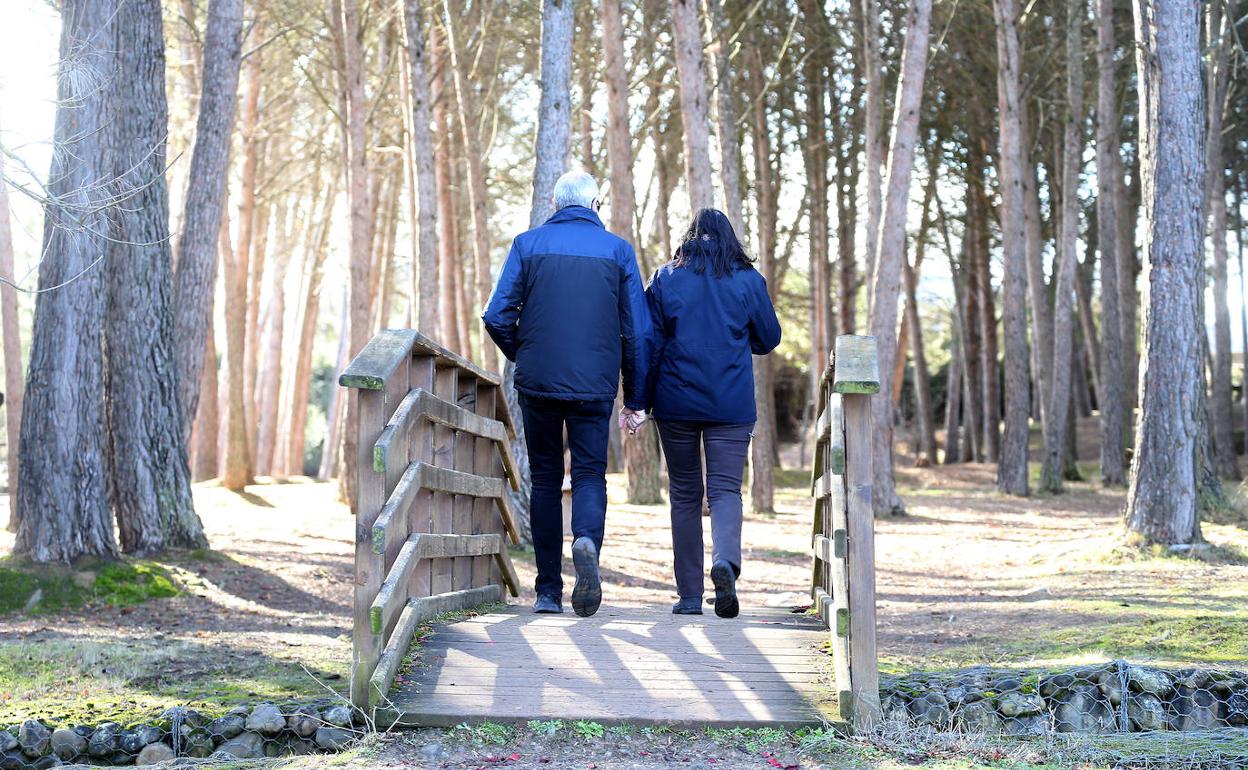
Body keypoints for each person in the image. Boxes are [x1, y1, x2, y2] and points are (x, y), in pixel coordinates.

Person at [482, 170, 651, 617]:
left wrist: (528, 352)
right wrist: (634, 399)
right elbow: (637, 331)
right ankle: (587, 541)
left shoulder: (527, 244)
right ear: (595, 206)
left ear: (555, 205)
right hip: (595, 385)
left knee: (544, 479)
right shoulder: (618, 251)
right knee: (591, 474)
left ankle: (547, 592)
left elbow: (497, 315)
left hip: (538, 382)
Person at [644, 208, 781, 618]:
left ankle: (688, 597)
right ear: (730, 239)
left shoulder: (666, 278)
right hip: (730, 403)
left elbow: (649, 342)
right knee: (724, 491)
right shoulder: (747, 280)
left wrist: (640, 400)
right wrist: (738, 341)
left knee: (684, 496)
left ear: (689, 237)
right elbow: (769, 337)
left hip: (676, 402)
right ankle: (726, 564)